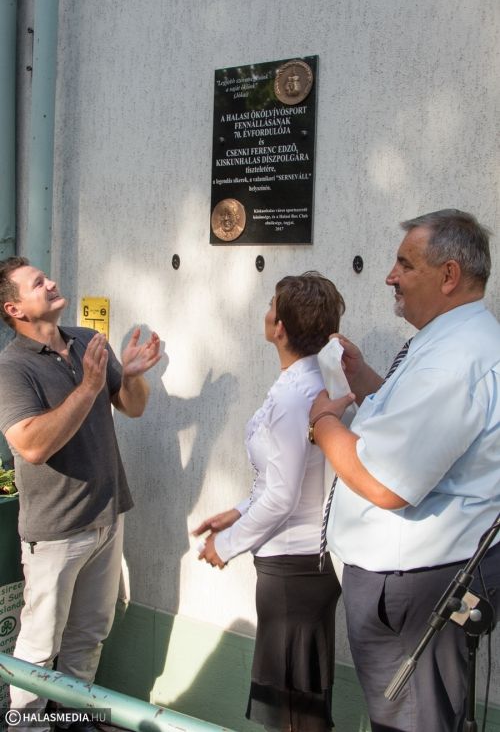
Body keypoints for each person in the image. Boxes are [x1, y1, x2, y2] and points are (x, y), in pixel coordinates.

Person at [309, 209, 500, 732]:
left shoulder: (453, 361)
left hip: (415, 587)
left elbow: (387, 483)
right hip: (415, 579)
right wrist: (364, 379)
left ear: (449, 275)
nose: (390, 277)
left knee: (411, 722)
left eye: (405, 265)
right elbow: (413, 429)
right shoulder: (450, 341)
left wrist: (323, 423)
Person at [0, 256, 161, 732]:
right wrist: (90, 387)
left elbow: (132, 407)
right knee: (38, 646)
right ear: (15, 309)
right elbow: (32, 446)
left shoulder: (87, 341)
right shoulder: (11, 369)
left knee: (89, 636)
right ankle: (25, 726)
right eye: (37, 283)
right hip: (55, 531)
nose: (51, 282)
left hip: (107, 517)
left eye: (46, 277)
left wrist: (130, 375)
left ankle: (72, 720)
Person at [194, 272, 344, 732]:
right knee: (299, 708)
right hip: (305, 565)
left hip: (293, 570)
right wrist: (240, 510)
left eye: (271, 307)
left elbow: (282, 495)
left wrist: (227, 544)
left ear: (280, 329)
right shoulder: (314, 380)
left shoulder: (296, 394)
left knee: (294, 714)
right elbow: (287, 478)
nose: (266, 313)